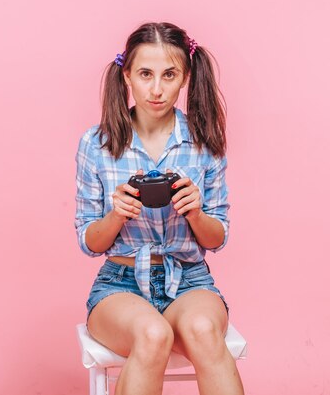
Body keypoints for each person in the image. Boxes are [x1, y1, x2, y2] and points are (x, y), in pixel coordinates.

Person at [74, 22, 244, 395]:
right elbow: (89, 241)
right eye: (145, 74)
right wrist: (116, 214)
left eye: (168, 75)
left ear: (184, 77)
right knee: (152, 334)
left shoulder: (204, 142)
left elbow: (217, 239)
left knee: (203, 330)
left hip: (190, 279)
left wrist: (197, 213)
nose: (156, 89)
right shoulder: (97, 143)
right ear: (127, 76)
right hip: (119, 285)